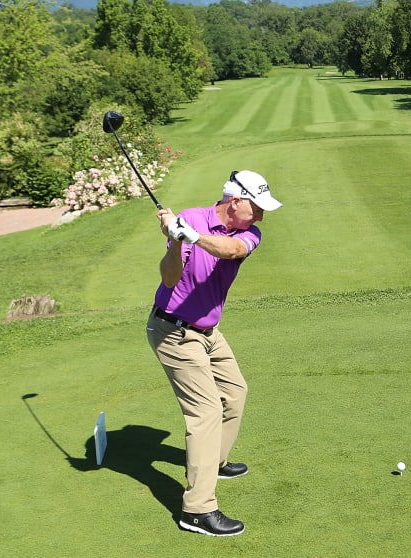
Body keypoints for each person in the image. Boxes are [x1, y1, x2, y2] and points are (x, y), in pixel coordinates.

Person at [146, 170, 282, 536]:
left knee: (235, 392)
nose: (261, 217)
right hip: (173, 332)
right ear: (235, 201)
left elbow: (231, 250)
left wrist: (192, 236)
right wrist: (176, 240)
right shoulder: (190, 219)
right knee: (205, 412)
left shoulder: (247, 234)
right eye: (256, 208)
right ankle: (196, 511)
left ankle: (214, 461)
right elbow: (170, 278)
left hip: (209, 332)